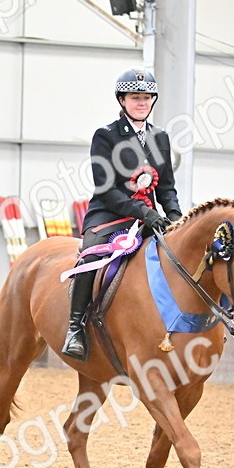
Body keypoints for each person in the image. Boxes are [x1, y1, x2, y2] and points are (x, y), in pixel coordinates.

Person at [61, 67, 184, 361]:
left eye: (146, 97)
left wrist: (176, 217)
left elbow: (166, 187)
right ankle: (75, 328)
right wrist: (142, 210)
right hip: (109, 215)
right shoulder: (106, 136)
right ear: (122, 100)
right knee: (91, 257)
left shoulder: (161, 138)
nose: (141, 102)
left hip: (149, 219)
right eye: (134, 97)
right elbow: (106, 188)